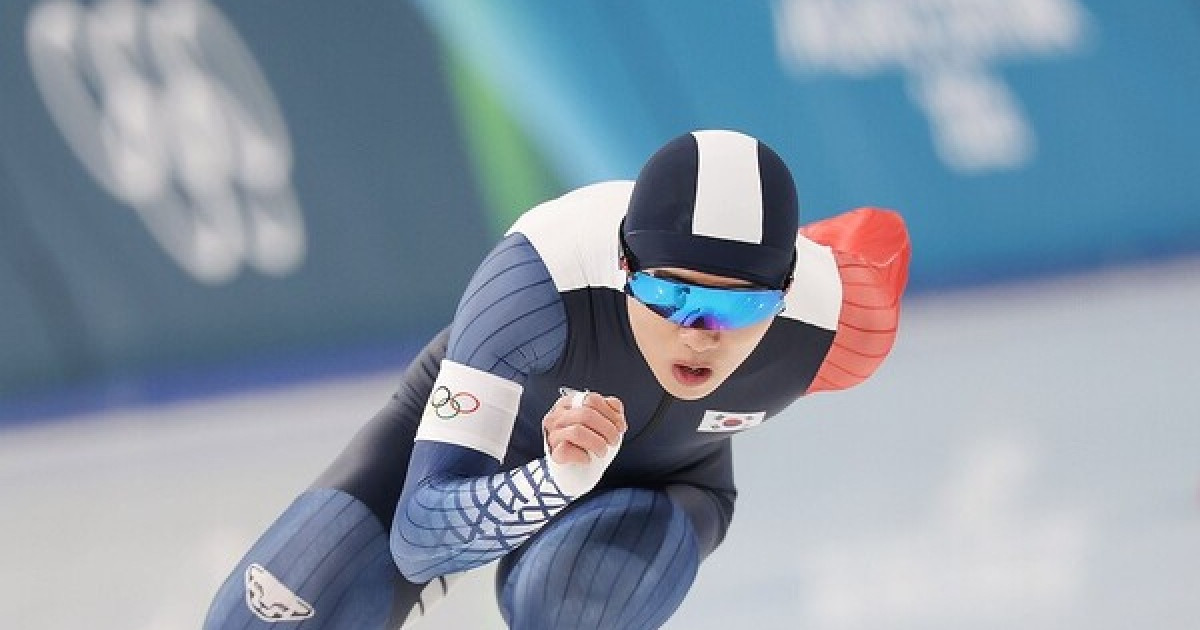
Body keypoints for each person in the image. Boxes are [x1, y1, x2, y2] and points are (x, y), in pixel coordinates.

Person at [203, 129, 911, 629]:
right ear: (624, 268)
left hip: (663, 487)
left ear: (786, 291)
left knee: (571, 608)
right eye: (670, 295)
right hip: (492, 442)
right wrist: (551, 481)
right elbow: (419, 538)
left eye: (739, 306)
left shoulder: (840, 323)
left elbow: (879, 236)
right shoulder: (536, 287)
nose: (701, 333)